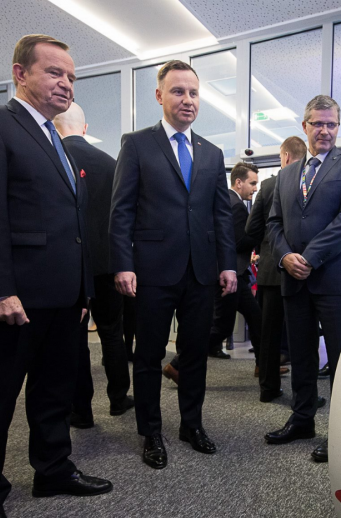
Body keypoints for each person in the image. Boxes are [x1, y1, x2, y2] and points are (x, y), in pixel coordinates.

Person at [0, 34, 112, 518]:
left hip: (64, 298)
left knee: (53, 392)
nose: (66, 83)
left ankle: (53, 469)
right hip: (14, 299)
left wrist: (83, 293)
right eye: (54, 72)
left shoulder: (57, 141)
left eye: (71, 77)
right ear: (20, 74)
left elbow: (73, 227)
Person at [110, 60, 236, 470]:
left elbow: (220, 215)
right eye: (178, 91)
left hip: (200, 271)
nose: (187, 99)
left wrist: (227, 264)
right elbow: (121, 210)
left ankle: (191, 424)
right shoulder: (137, 144)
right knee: (148, 355)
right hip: (152, 270)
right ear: (160, 95)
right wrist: (123, 263)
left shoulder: (212, 152)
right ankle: (151, 432)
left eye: (194, 93)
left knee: (195, 352)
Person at [264, 95, 341, 463]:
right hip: (294, 279)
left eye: (331, 124)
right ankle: (302, 418)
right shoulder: (286, 174)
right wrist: (285, 256)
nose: (325, 130)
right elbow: (273, 223)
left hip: (335, 280)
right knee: (302, 355)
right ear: (304, 126)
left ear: (338, 127)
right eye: (318, 123)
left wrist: (308, 258)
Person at [53, 103, 133, 428]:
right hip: (109, 264)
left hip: (70, 267)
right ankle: (118, 399)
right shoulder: (112, 164)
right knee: (113, 332)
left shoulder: (53, 160)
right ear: (85, 128)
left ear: (54, 127)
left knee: (75, 339)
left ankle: (81, 411)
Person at [247, 137, 306, 403]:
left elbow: (252, 228)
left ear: (285, 156)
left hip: (272, 269)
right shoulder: (312, 183)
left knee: (269, 333)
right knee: (302, 333)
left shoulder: (269, 185)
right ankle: (304, 395)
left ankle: (268, 389)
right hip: (303, 269)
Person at [207, 162, 262, 366]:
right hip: (231, 274)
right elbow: (238, 242)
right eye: (252, 183)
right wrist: (260, 233)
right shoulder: (236, 206)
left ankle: (263, 366)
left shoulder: (226, 200)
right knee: (222, 326)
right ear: (239, 182)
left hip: (235, 274)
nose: (255, 189)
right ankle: (180, 362)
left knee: (255, 317)